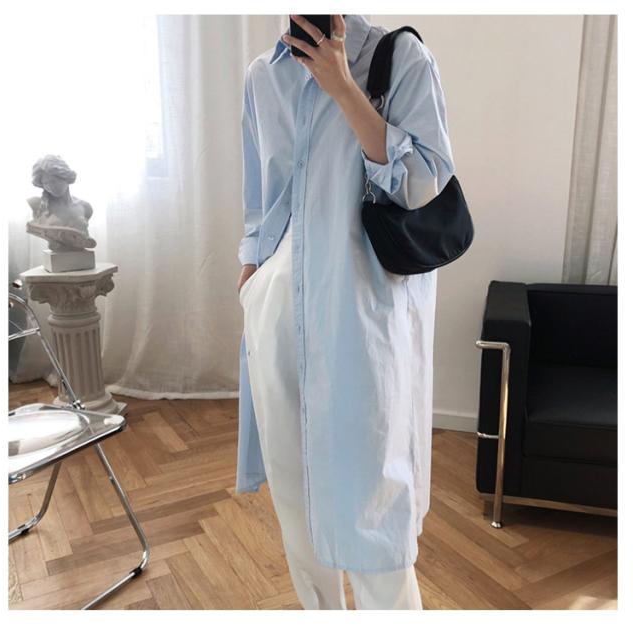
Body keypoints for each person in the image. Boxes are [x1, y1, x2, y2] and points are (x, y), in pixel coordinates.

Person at [236, 14, 455, 610]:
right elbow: (259, 200)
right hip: (276, 311)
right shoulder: (262, 76)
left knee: (374, 503)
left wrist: (343, 88)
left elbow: (424, 184)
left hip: (361, 312)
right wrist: (250, 278)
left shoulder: (400, 58)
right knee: (296, 498)